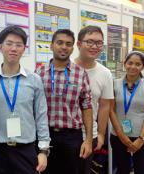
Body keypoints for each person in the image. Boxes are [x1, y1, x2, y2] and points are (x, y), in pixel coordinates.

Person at [0, 26, 50, 174]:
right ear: (0, 47)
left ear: (24, 49)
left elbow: (41, 116)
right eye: (9, 43)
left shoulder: (34, 80)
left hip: (26, 149)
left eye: (19, 45)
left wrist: (43, 151)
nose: (14, 48)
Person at [36, 29, 93, 174]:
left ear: (72, 48)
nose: (64, 47)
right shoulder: (39, 73)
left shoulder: (80, 73)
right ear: (51, 45)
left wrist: (88, 140)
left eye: (68, 44)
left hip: (72, 137)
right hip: (46, 136)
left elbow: (87, 107)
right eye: (59, 42)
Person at [74, 25, 114, 174]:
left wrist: (102, 134)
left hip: (90, 136)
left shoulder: (105, 73)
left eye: (98, 43)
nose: (94, 46)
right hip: (65, 134)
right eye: (89, 42)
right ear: (79, 44)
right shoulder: (68, 67)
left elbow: (104, 106)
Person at [110, 51, 144, 174]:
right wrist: (122, 136)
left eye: (138, 64)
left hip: (141, 137)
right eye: (130, 63)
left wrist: (141, 139)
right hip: (118, 136)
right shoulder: (114, 84)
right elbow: (111, 110)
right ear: (125, 63)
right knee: (121, 169)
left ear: (142, 67)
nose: (133, 67)